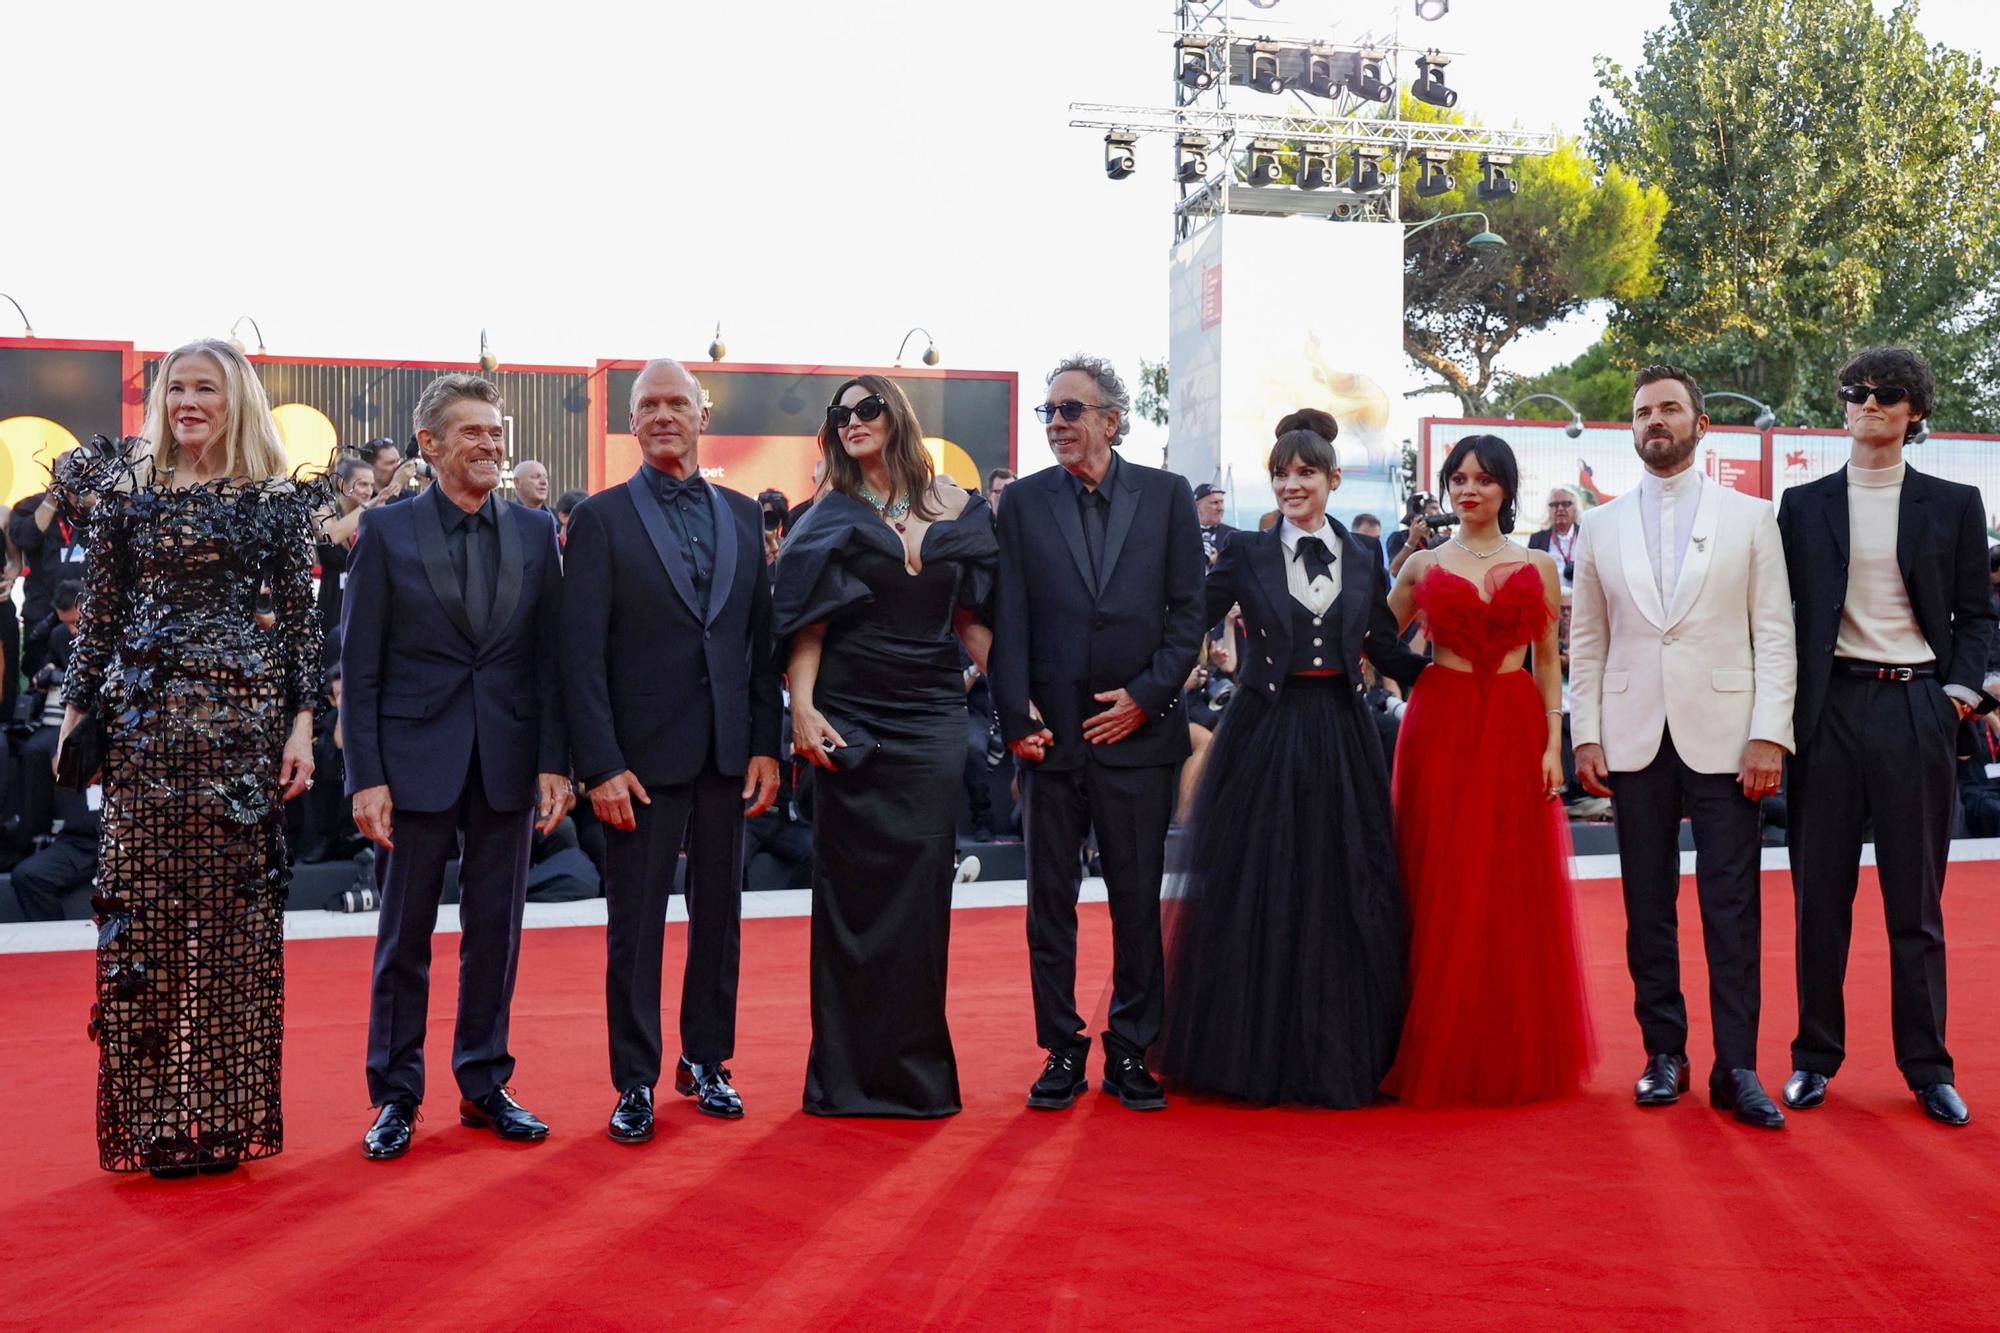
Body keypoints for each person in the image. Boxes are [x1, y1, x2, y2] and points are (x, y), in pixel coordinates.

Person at [57, 339, 322, 1177]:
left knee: (232, 935)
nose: (189, 403)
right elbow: (97, 622)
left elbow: (302, 632)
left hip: (240, 741)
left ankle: (214, 1112)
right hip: (142, 737)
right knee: (147, 931)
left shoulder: (273, 502)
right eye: (177, 389)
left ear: (236, 400)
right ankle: (156, 1119)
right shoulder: (128, 497)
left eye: (206, 388)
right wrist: (74, 717)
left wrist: (301, 726)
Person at [343, 373, 572, 1161]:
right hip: (411, 764)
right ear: (430, 445)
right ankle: (396, 1094)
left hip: (507, 759)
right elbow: (360, 665)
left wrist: (554, 761)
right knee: (403, 935)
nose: (490, 444)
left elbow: (549, 661)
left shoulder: (537, 533)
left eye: (496, 431)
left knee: (496, 933)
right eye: (471, 432)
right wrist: (365, 774)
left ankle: (483, 1081)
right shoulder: (387, 532)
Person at [1160, 427, 1426, 1107]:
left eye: (1306, 472)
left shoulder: (1366, 554)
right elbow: (1192, 617)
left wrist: (1458, 680)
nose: (1292, 485)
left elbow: (1385, 646)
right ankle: (1253, 1054)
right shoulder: (1245, 551)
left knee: (1341, 887)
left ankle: (1342, 1052)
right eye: (1281, 474)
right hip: (1265, 731)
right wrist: (1151, 676)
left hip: (1340, 732)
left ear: (1333, 478)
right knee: (1261, 884)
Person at [1568, 365, 1796, 1129]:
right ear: (1631, 429)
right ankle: (1663, 1052)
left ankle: (1739, 1067)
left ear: (1702, 424)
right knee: (1646, 906)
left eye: (1669, 408)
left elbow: (1775, 633)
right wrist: (1586, 730)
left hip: (1730, 739)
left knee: (1732, 909)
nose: (1655, 420)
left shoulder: (1752, 516)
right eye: (1642, 412)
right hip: (1634, 738)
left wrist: (1770, 731)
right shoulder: (1600, 526)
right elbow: (1588, 638)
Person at [562, 358, 782, 1139]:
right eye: (647, 404)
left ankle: (707, 1060)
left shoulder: (738, 512)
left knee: (720, 916)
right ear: (631, 420)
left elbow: (760, 647)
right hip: (638, 763)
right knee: (637, 924)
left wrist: (766, 745)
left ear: (701, 412)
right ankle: (634, 1079)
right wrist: (600, 765)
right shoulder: (600, 517)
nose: (662, 414)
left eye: (675, 402)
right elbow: (579, 656)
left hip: (727, 754)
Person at [1777, 347, 1991, 1128]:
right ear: (1843, 406)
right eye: (1857, 392)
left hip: (1917, 710)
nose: (1869, 402)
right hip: (1829, 711)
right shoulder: (1801, 506)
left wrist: (1957, 696)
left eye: (1887, 393)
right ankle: (1813, 1058)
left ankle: (1928, 1067)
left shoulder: (1955, 501)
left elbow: (1978, 614)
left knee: (1916, 903)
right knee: (1819, 900)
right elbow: (1785, 618)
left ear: (1915, 412)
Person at [775, 374, 995, 1118]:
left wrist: (1020, 699)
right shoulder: (825, 514)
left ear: (895, 417)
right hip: (851, 712)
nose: (852, 421)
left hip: (932, 712)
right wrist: (802, 706)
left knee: (922, 885)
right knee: (848, 886)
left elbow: (971, 620)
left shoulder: (957, 506)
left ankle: (915, 1076)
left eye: (867, 408)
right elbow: (809, 621)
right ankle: (844, 1078)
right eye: (840, 415)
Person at [990, 354, 1205, 1112]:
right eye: (1048, 412)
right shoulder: (1020, 504)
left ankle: (1130, 1049)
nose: (1055, 424)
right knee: (1049, 901)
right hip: (1051, 742)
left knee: (1136, 900)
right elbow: (1007, 615)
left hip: (1139, 738)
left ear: (1112, 419)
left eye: (1070, 410)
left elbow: (1190, 616)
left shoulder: (1168, 495)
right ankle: (1061, 1047)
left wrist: (1146, 698)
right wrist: (1014, 715)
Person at [1382, 433, 1593, 1106]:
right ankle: (1424, 1031)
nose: (1468, 489)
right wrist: (1407, 682)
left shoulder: (1538, 564)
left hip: (1513, 719)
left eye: (1482, 478)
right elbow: (1372, 637)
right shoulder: (1421, 566)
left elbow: (1550, 660)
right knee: (1437, 871)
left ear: (1506, 488)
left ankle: (1500, 1036)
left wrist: (1554, 743)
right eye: (1457, 478)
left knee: (1506, 878)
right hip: (1438, 723)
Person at [1527, 486, 1581, 589]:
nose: (1560, 509)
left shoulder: (1585, 536)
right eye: (1554, 505)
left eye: (1565, 504)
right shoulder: (1537, 540)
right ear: (1548, 510)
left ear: (1575, 509)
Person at [1194, 482, 1233, 565]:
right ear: (1197, 506)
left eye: (1221, 502)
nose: (1220, 508)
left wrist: (1219, 562)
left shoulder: (1234, 536)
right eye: (1214, 503)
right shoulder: (1182, 535)